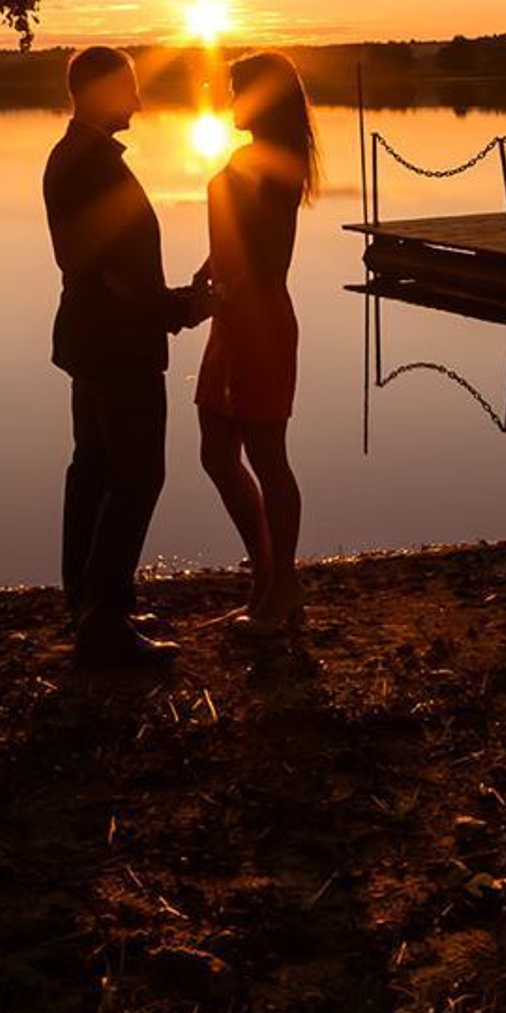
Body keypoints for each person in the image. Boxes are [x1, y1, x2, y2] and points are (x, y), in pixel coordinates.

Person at [43, 45, 211, 667]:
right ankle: (103, 622)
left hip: (90, 340)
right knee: (137, 473)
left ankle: (89, 603)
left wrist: (179, 300)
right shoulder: (94, 167)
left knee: (93, 468)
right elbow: (117, 276)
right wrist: (184, 309)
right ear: (97, 91)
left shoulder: (72, 155)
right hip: (117, 345)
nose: (139, 101)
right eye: (130, 88)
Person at [194, 51, 317, 633]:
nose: (228, 100)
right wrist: (206, 275)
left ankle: (281, 583)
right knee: (217, 454)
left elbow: (266, 253)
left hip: (259, 320)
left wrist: (227, 286)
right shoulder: (253, 158)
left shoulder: (271, 160)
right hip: (232, 318)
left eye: (236, 90)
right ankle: (268, 575)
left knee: (268, 457)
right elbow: (236, 236)